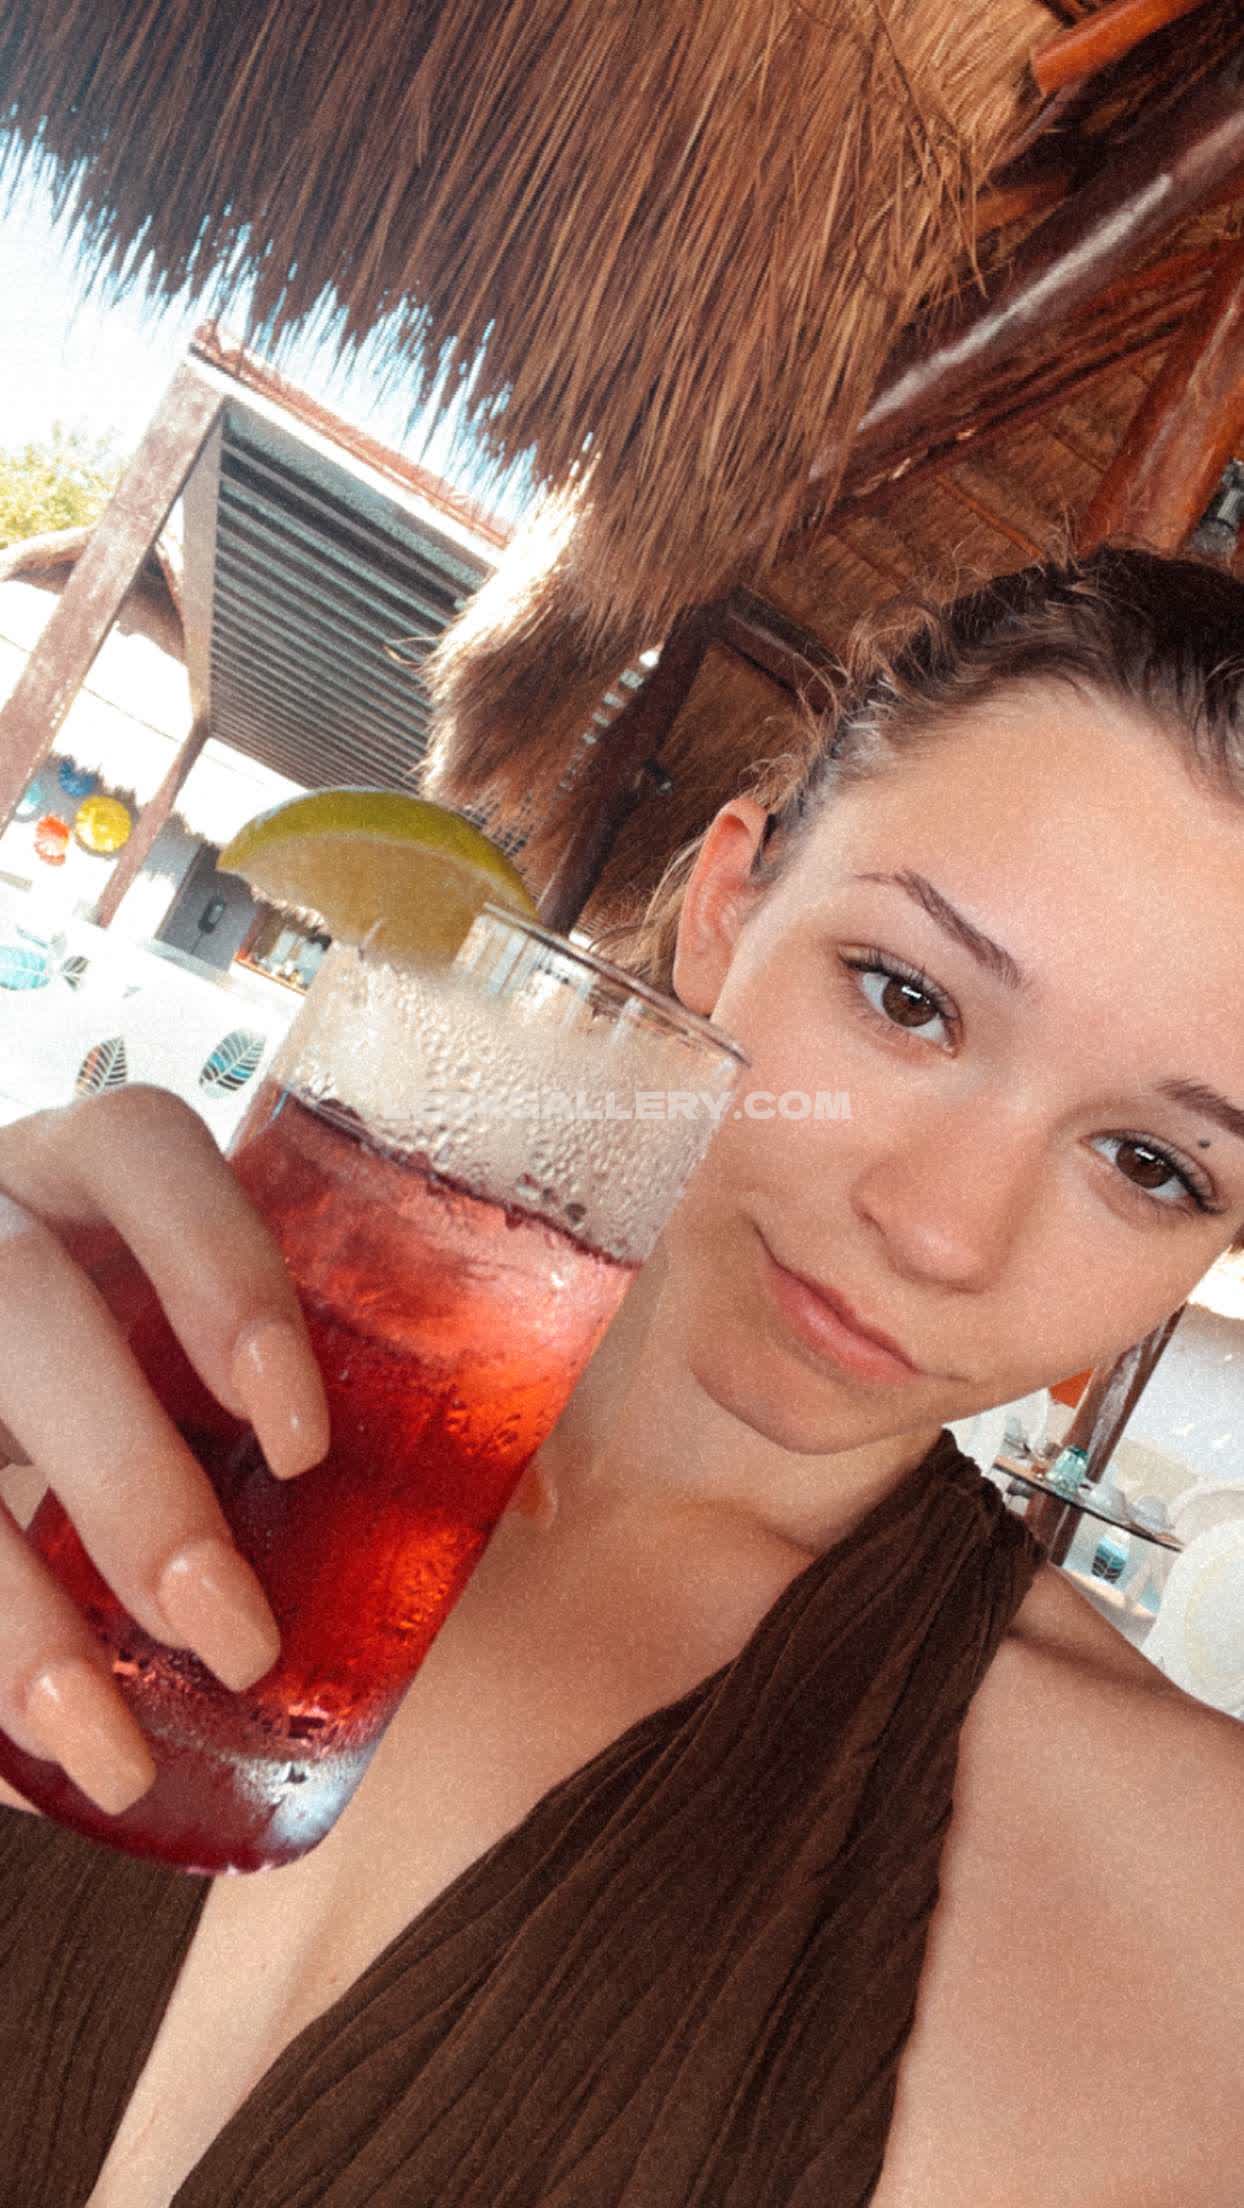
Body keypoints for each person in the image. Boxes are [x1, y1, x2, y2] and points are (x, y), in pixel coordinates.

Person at [0, 543, 1242, 2207]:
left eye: (1153, 1165)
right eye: (907, 997)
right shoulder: (105, 1389)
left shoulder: (1192, 1914)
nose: (943, 1232)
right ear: (727, 907)